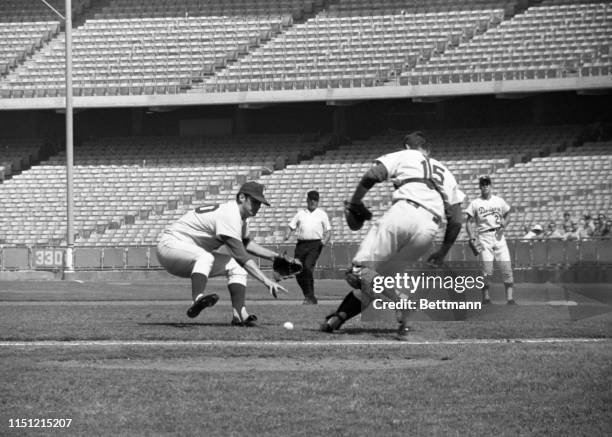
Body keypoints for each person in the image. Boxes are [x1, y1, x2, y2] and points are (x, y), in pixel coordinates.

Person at [319, 131, 465, 338]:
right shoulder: (446, 172)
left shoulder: (405, 155)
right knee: (375, 281)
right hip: (429, 228)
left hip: (404, 212)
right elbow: (457, 220)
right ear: (428, 150)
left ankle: (403, 302)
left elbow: (372, 175)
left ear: (407, 147)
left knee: (358, 271)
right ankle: (337, 320)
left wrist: (355, 201)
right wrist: (442, 252)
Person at [156, 181, 288, 326]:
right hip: (171, 246)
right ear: (242, 198)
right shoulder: (230, 215)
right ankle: (197, 299)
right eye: (255, 201)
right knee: (206, 256)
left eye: (260, 203)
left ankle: (240, 315)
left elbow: (246, 244)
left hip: (190, 255)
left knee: (236, 267)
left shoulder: (240, 220)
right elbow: (242, 255)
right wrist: (266, 280)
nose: (257, 206)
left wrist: (275, 257)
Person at [466, 176, 515, 305]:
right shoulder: (475, 203)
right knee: (487, 269)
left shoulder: (499, 200)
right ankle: (486, 298)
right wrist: (471, 236)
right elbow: (469, 221)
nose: (485, 186)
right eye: (483, 184)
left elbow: (508, 214)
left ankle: (510, 299)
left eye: (487, 183)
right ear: (480, 187)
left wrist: (505, 222)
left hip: (499, 236)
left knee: (506, 267)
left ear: (491, 185)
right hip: (484, 237)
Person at [283, 190, 331, 304]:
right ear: (307, 200)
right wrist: (287, 234)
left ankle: (310, 296)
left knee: (308, 267)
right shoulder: (300, 213)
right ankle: (309, 296)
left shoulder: (322, 214)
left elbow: (328, 231)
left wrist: (324, 241)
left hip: (315, 244)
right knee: (298, 271)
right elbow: (290, 226)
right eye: (311, 199)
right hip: (301, 245)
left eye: (315, 200)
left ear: (318, 201)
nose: (313, 202)